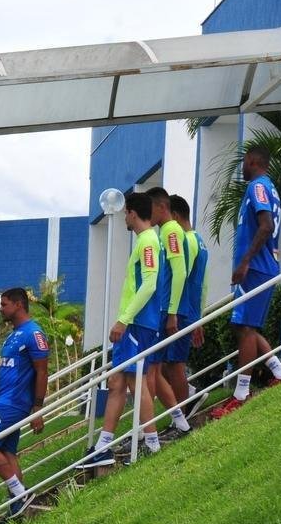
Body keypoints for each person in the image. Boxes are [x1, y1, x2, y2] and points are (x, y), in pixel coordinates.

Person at [79, 191, 162, 467]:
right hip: (135, 323)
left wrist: (124, 319)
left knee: (136, 383)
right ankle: (103, 446)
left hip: (137, 324)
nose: (125, 218)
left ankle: (152, 443)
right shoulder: (145, 241)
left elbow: (149, 285)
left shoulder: (148, 241)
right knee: (116, 382)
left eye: (126, 213)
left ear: (132, 213)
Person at [210, 146, 281, 418]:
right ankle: (279, 371)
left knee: (244, 327)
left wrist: (245, 261)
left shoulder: (258, 186)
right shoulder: (266, 187)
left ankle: (242, 394)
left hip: (256, 268)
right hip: (259, 267)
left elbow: (266, 225)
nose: (242, 167)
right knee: (245, 326)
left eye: (244, 162)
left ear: (254, 161)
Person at [0, 287, 49, 524]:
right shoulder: (13, 335)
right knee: (7, 452)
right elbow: (12, 368)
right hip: (3, 398)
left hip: (13, 404)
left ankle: (21, 494)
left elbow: (41, 371)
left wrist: (37, 408)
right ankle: (17, 508)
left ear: (18, 304)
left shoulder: (33, 333)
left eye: (5, 304)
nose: (1, 309)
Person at [145, 187, 194, 441]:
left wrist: (172, 312)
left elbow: (180, 271)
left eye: (150, 209)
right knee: (156, 368)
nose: (147, 214)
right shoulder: (166, 231)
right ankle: (179, 422)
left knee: (152, 370)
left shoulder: (171, 230)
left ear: (162, 208)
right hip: (165, 309)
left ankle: (148, 431)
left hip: (167, 310)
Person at [168, 194, 210, 417]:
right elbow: (203, 284)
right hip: (190, 312)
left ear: (175, 216)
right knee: (167, 363)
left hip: (182, 312)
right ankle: (190, 394)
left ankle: (182, 415)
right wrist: (198, 318)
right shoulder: (200, 241)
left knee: (173, 364)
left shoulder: (187, 241)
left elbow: (181, 277)